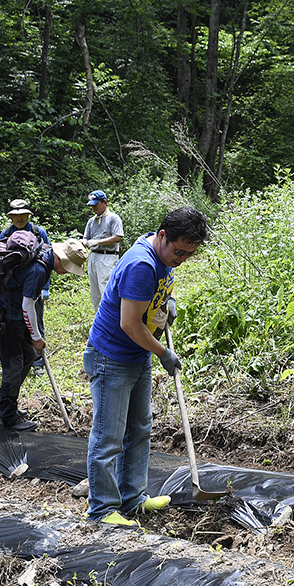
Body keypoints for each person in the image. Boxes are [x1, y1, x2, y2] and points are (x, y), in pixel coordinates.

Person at [84, 206, 210, 526]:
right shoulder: (142, 264)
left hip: (136, 355)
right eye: (179, 251)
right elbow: (130, 325)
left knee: (140, 428)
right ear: (163, 236)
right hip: (112, 356)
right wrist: (164, 353)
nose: (181, 259)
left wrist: (166, 302)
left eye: (188, 255)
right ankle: (102, 510)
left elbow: (152, 300)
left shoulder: (164, 256)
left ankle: (133, 498)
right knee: (109, 436)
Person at [0, 239, 87, 430]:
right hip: (6, 317)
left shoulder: (43, 256)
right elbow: (28, 306)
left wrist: (33, 337)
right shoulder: (39, 269)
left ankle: (2, 404)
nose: (67, 271)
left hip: (14, 314)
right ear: (60, 258)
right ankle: (5, 416)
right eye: (68, 266)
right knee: (14, 366)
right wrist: (35, 337)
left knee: (27, 356)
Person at [0, 199, 51, 367]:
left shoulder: (38, 232)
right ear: (11, 217)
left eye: (22, 215)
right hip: (12, 289)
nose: (19, 218)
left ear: (28, 215)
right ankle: (22, 360)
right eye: (15, 216)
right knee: (16, 324)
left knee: (36, 320)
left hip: (34, 285)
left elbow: (48, 259)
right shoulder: (6, 234)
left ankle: (38, 363)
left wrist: (45, 287)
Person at [82, 190, 125, 310]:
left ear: (104, 202)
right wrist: (85, 242)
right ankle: (99, 321)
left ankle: (110, 320)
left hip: (108, 257)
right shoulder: (91, 221)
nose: (93, 207)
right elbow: (86, 238)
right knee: (95, 291)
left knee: (106, 290)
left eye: (96, 204)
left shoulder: (113, 218)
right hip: (93, 257)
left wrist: (98, 242)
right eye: (92, 205)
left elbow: (118, 237)